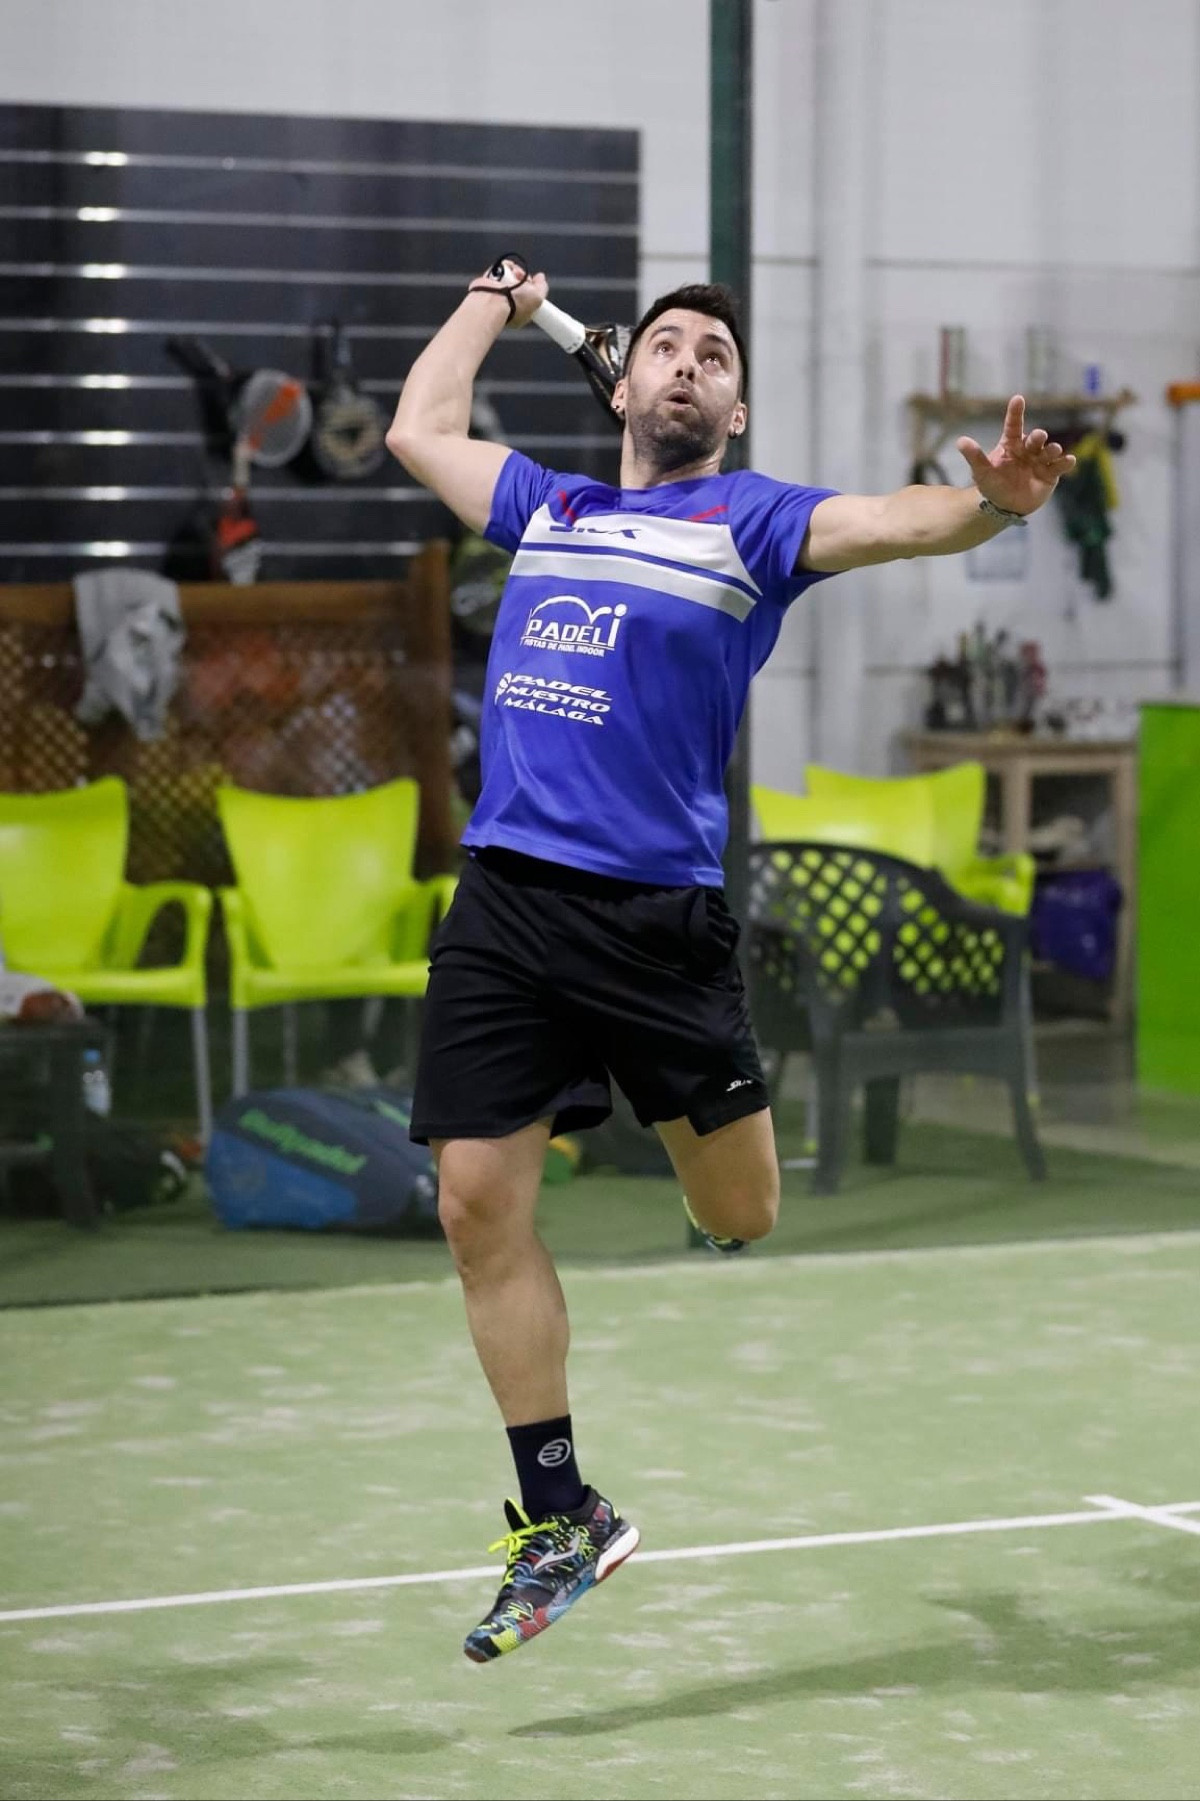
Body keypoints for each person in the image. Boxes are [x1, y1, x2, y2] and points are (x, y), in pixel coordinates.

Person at [386, 260, 1075, 1663]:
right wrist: (493, 303)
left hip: (656, 921)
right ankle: (561, 1515)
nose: (688, 362)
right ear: (625, 383)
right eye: (667, 346)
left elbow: (891, 520)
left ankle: (705, 1168)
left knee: (742, 1210)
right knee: (473, 1201)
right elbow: (419, 427)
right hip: (508, 898)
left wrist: (995, 505)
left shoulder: (751, 522)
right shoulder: (548, 507)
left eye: (714, 354)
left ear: (735, 407)